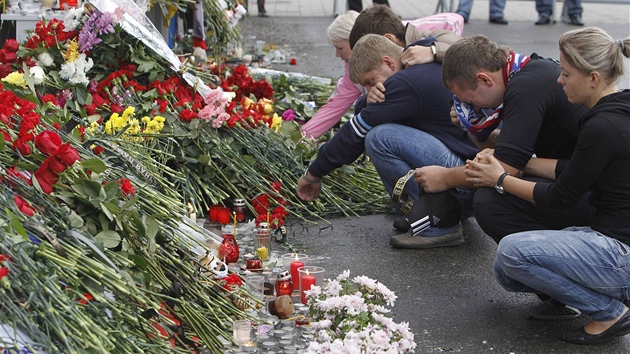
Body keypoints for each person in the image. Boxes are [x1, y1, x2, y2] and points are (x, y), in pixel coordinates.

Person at [465, 26, 630, 345]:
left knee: (513, 251)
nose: (559, 80)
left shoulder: (603, 126)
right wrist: (517, 161)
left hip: (620, 251)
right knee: (505, 269)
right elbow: (573, 170)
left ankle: (609, 311)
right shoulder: (615, 112)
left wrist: (499, 179)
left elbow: (559, 197)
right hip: (609, 238)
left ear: (593, 78)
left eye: (566, 74)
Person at [414, 34, 592, 319]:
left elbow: (505, 170)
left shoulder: (525, 87)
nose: (470, 108)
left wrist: (445, 177)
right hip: (577, 181)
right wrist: (474, 129)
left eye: (468, 100)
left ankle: (577, 288)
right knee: (492, 194)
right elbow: (505, 155)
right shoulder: (522, 72)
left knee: (490, 201)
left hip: (597, 196)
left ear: (485, 79)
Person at [296, 34, 478, 249]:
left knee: (379, 138)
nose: (372, 89)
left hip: (466, 179)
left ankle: (438, 224)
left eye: (371, 81)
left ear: (388, 62)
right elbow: (372, 110)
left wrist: (314, 173)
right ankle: (431, 213)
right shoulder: (421, 56)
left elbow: (355, 134)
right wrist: (366, 100)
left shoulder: (403, 83)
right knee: (386, 131)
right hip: (470, 170)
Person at [301, 8, 465, 140]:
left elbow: (456, 26)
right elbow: (336, 105)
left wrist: (434, 50)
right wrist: (304, 136)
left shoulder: (417, 35)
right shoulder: (357, 67)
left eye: (340, 48)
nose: (337, 55)